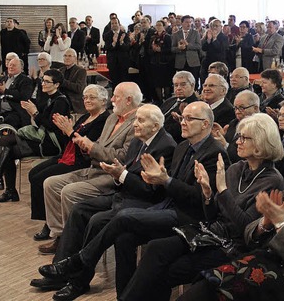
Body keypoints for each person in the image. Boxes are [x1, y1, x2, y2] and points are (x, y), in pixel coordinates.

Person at [32, 101, 228, 297]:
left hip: (188, 217)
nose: (182, 122)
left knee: (122, 217)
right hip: (162, 205)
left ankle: (78, 262)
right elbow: (160, 184)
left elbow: (199, 199)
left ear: (205, 124)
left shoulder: (214, 152)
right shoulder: (183, 146)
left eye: (189, 118)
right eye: (182, 117)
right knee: (122, 236)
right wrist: (148, 179)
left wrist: (164, 181)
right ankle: (122, 294)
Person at [112, 113, 284, 300]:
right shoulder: (236, 168)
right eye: (238, 137)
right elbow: (212, 215)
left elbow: (245, 228)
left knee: (168, 270)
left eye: (244, 138)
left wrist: (223, 191)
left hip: (232, 246)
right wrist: (208, 194)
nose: (237, 142)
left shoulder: (272, 179)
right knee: (155, 248)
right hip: (209, 233)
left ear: (260, 142)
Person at [179, 137, 284, 301]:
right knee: (204, 285)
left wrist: (280, 223)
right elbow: (249, 234)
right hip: (268, 263)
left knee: (206, 293)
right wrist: (265, 224)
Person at [36, 82, 139, 254]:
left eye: (116, 96)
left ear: (128, 100)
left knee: (69, 191)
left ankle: (73, 244)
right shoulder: (113, 118)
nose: (112, 99)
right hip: (93, 167)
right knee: (50, 183)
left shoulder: (137, 122)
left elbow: (122, 157)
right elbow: (98, 144)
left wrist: (90, 146)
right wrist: (85, 146)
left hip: (110, 176)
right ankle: (61, 236)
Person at [0, 70, 72, 202]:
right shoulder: (48, 98)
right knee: (8, 148)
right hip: (42, 137)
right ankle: (6, 187)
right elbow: (41, 121)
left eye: (47, 81)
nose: (43, 83)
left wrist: (35, 112)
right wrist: (32, 112)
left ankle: (0, 181)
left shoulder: (61, 101)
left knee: (7, 143)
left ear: (57, 84)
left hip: (51, 143)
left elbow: (51, 126)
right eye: (43, 80)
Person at [30, 85, 110, 241]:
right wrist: (64, 130)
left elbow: (89, 146)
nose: (87, 100)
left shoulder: (104, 120)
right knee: (33, 173)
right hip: (68, 155)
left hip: (82, 161)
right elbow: (70, 139)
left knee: (41, 179)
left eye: (92, 97)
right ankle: (49, 218)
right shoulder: (85, 117)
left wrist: (70, 131)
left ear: (103, 100)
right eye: (85, 97)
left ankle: (50, 224)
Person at [212, 90, 260, 163]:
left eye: (242, 108)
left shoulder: (260, 127)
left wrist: (225, 145)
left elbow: (248, 156)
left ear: (255, 108)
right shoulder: (234, 123)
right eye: (236, 108)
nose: (237, 112)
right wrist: (222, 135)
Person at [0, 58, 34, 130]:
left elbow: (24, 97)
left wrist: (5, 91)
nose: (11, 67)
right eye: (10, 65)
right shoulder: (1, 79)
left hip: (15, 112)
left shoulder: (26, 80)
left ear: (21, 68)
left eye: (14, 65)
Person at [172, 15, 201, 86]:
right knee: (182, 82)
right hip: (181, 62)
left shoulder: (195, 33)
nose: (189, 24)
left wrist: (188, 45)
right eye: (186, 22)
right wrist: (179, 48)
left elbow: (199, 46)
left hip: (193, 62)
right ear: (182, 23)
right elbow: (172, 48)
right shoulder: (176, 34)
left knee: (194, 81)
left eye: (190, 22)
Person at [147, 20, 172, 101]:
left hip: (165, 63)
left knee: (166, 83)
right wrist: (154, 50)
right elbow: (149, 51)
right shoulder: (153, 37)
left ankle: (167, 100)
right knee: (157, 83)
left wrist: (160, 49)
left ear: (164, 26)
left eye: (160, 25)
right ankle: (159, 100)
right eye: (157, 25)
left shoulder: (167, 37)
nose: (158, 27)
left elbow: (170, 50)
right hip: (155, 62)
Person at [58, 49, 88, 114]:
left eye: (69, 56)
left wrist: (63, 82)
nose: (67, 58)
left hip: (74, 100)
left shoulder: (81, 71)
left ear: (75, 58)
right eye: (65, 56)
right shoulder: (60, 70)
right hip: (61, 98)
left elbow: (79, 88)